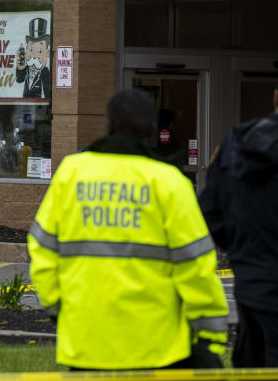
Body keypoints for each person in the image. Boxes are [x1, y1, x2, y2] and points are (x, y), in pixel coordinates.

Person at [28, 88, 229, 370]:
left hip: (85, 342)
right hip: (156, 347)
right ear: (150, 130)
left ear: (109, 125)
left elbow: (42, 247)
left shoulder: (71, 174)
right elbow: (195, 265)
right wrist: (210, 334)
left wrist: (56, 307)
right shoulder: (169, 182)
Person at [199, 84, 278, 367]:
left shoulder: (236, 143)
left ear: (274, 96)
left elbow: (211, 210)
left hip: (253, 282)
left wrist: (242, 251)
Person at [15, 17, 51, 99]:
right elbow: (19, 80)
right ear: (26, 52)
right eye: (31, 49)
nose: (34, 56)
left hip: (40, 108)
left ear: (47, 54)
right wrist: (20, 68)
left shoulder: (45, 72)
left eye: (40, 51)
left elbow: (47, 93)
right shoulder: (26, 68)